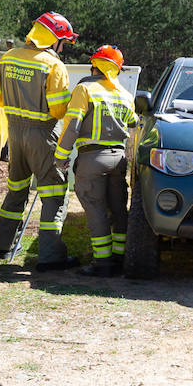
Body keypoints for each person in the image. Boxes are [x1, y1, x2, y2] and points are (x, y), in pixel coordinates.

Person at [0, 11, 78, 271]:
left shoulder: (7, 58)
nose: (63, 48)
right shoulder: (53, 65)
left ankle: (4, 245)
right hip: (43, 133)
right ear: (54, 40)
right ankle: (50, 256)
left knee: (16, 189)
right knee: (53, 193)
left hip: (14, 134)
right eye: (64, 42)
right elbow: (58, 110)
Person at [53, 45, 137, 277]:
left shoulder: (84, 89)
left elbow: (72, 127)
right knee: (119, 210)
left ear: (94, 65)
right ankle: (119, 258)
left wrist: (60, 157)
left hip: (92, 159)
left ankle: (102, 263)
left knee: (96, 210)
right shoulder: (124, 94)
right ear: (117, 70)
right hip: (118, 159)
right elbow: (133, 121)